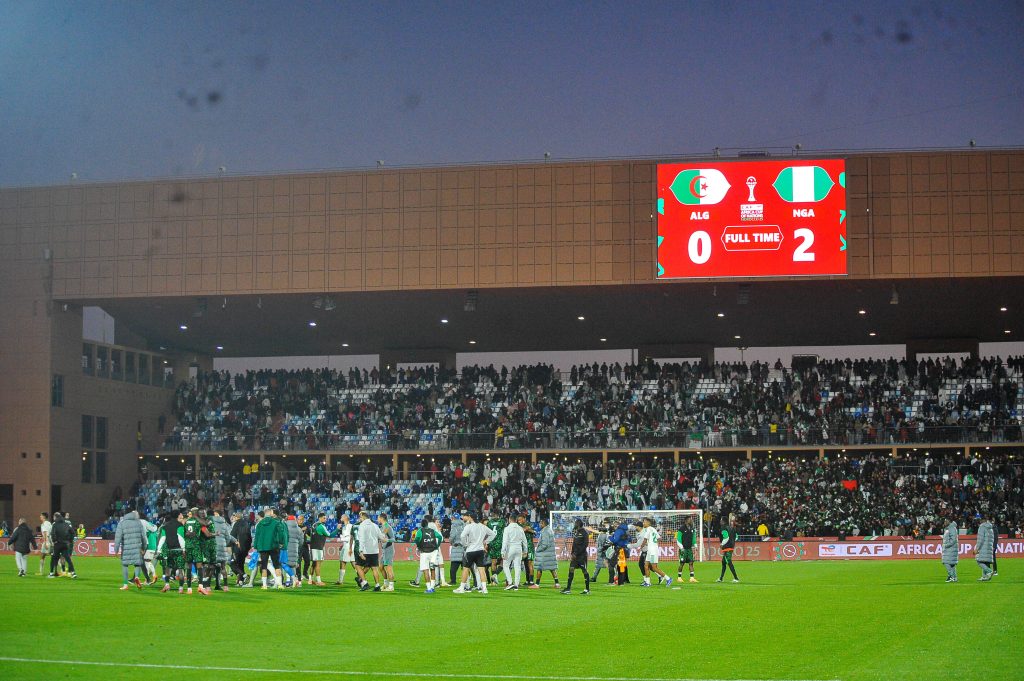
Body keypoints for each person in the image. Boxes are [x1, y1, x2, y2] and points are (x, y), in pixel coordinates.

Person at [453, 511, 496, 594]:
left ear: (470, 518)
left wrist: (465, 544)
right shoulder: (482, 526)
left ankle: (462, 588)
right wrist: (485, 542)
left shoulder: (469, 526)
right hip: (480, 550)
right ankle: (484, 588)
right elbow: (493, 534)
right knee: (481, 569)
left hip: (471, 550)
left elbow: (462, 536)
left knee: (466, 568)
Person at [113, 509, 147, 590]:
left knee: (125, 565)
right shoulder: (138, 522)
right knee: (137, 564)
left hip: (126, 549)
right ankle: (137, 577)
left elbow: (118, 538)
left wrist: (116, 550)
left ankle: (125, 585)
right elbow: (143, 537)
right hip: (137, 548)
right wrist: (143, 548)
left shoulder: (122, 523)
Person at [254, 507, 286, 589]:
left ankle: (264, 585)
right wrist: (281, 542)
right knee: (276, 565)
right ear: (271, 514)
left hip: (263, 547)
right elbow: (281, 533)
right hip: (274, 546)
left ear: (264, 515)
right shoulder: (276, 522)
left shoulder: (259, 524)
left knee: (264, 566)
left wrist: (256, 546)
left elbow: (256, 536)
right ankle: (279, 584)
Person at [157, 511, 187, 593]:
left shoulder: (165, 526)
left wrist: (158, 550)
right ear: (178, 515)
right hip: (179, 550)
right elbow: (180, 537)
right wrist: (184, 549)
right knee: (181, 570)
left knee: (168, 568)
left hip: (169, 550)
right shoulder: (180, 525)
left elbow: (162, 538)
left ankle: (167, 585)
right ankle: (180, 588)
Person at [635, 518, 670, 588]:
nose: (643, 523)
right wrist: (653, 543)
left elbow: (645, 540)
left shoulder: (648, 529)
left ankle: (668, 578)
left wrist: (641, 547)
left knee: (654, 568)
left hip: (653, 550)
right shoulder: (653, 529)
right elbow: (659, 538)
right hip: (651, 549)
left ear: (648, 523)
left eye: (644, 522)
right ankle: (648, 582)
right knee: (646, 565)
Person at [355, 510, 386, 591]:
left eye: (360, 517)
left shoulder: (362, 526)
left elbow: (361, 539)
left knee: (357, 566)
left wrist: (361, 551)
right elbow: (381, 537)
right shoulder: (375, 525)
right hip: (375, 550)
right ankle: (377, 586)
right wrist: (384, 538)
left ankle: (365, 583)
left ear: (363, 517)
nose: (360, 519)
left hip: (366, 550)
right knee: (374, 568)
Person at [411, 517, 443, 593]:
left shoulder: (420, 531)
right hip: (433, 551)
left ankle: (428, 588)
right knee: (432, 569)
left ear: (422, 525)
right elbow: (440, 537)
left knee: (425, 570)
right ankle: (432, 587)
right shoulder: (432, 531)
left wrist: (419, 545)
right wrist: (437, 545)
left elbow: (416, 539)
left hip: (424, 552)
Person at [561, 518, 591, 595]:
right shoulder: (576, 532)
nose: (574, 524)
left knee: (584, 571)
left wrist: (576, 553)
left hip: (581, 556)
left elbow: (585, 545)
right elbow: (574, 544)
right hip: (575, 556)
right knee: (571, 569)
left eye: (576, 523)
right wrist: (572, 553)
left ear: (578, 524)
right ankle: (568, 588)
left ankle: (587, 589)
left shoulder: (584, 533)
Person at [501, 512, 527, 591]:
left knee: (505, 565)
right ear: (516, 520)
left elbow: (505, 541)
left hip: (510, 548)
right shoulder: (520, 528)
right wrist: (525, 550)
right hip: (519, 548)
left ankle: (510, 582)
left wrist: (503, 551)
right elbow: (524, 540)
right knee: (517, 566)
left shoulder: (507, 528)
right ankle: (516, 584)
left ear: (509, 520)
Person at [212, 509, 235, 591]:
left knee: (211, 566)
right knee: (222, 567)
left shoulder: (211, 522)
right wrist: (225, 542)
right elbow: (228, 537)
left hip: (213, 546)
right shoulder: (225, 524)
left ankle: (207, 586)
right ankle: (225, 586)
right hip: (222, 546)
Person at [47, 512, 75, 579]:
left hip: (58, 544)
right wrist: (70, 540)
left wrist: (54, 541)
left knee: (54, 558)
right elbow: (73, 532)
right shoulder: (66, 524)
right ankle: (73, 573)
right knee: (68, 558)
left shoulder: (55, 524)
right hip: (65, 544)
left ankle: (51, 574)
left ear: (55, 517)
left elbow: (52, 534)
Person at [533, 517, 559, 589]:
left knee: (539, 568)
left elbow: (545, 544)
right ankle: (557, 584)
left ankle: (537, 584)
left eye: (540, 523)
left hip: (544, 554)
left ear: (543, 524)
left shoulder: (545, 532)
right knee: (552, 568)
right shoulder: (549, 530)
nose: (539, 524)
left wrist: (538, 550)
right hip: (550, 554)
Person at [229, 511, 251, 585]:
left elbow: (232, 536)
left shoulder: (236, 524)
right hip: (245, 548)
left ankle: (244, 575)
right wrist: (248, 547)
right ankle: (240, 581)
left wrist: (230, 546)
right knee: (241, 564)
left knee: (232, 563)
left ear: (236, 517)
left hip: (237, 547)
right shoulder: (246, 524)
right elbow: (249, 537)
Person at [308, 512, 330, 585]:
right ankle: (319, 581)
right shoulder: (321, 526)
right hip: (318, 547)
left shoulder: (314, 525)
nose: (325, 519)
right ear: (320, 518)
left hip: (312, 546)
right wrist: (337, 529)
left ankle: (310, 580)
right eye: (324, 518)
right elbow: (329, 535)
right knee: (318, 563)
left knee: (314, 563)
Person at [334, 514, 356, 586]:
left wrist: (341, 539)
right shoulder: (344, 527)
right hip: (346, 546)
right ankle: (340, 581)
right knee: (343, 562)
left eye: (342, 517)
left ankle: (362, 580)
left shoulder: (350, 526)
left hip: (349, 546)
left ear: (346, 518)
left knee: (353, 563)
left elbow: (350, 538)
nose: (340, 518)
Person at [486, 512, 507, 585]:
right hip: (500, 543)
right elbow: (505, 531)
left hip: (492, 543)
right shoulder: (502, 521)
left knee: (493, 562)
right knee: (503, 561)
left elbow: (487, 533)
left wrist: (486, 543)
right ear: (498, 515)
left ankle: (493, 582)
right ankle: (495, 575)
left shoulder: (489, 522)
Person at [284, 514, 303, 588]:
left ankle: (283, 581)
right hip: (295, 549)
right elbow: (301, 542)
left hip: (286, 549)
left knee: (283, 564)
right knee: (293, 565)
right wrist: (297, 546)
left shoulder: (285, 527)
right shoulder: (299, 529)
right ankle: (294, 581)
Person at [676, 517, 698, 583]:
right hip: (683, 549)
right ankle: (679, 577)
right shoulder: (681, 529)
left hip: (689, 549)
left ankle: (692, 578)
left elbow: (694, 539)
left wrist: (695, 546)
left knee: (691, 563)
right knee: (682, 563)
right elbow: (678, 539)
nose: (691, 520)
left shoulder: (692, 529)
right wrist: (681, 547)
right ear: (686, 521)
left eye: (691, 519)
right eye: (689, 519)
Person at [378, 512, 396, 591]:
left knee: (389, 568)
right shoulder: (382, 527)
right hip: (384, 550)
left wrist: (387, 540)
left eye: (378, 518)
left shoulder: (388, 527)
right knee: (381, 567)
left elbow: (393, 539)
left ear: (382, 518)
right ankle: (386, 584)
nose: (377, 519)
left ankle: (391, 586)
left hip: (389, 549)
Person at [447, 511, 465, 587]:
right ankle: (469, 581)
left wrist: (451, 542)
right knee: (466, 567)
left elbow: (452, 537)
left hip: (456, 548)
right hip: (464, 548)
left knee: (453, 567)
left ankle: (453, 580)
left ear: (453, 518)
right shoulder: (464, 526)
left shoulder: (454, 526)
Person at [140, 512, 159, 585]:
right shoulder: (153, 527)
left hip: (149, 546)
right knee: (147, 562)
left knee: (146, 562)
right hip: (153, 546)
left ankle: (151, 577)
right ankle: (151, 577)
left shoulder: (146, 530)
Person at [519, 514, 538, 588]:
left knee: (530, 563)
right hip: (522, 547)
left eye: (520, 519)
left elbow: (534, 532)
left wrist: (528, 529)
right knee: (525, 564)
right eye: (518, 520)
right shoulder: (518, 526)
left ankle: (531, 581)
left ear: (524, 518)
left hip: (529, 546)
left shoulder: (529, 524)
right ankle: (527, 581)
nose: (519, 521)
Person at [974, 516, 994, 582]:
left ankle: (989, 571)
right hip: (989, 547)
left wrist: (977, 548)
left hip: (983, 547)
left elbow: (981, 539)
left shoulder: (982, 527)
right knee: (984, 562)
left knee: (979, 561)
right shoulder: (990, 528)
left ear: (982, 520)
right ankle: (984, 576)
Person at [941, 518, 959, 583]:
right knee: (952, 564)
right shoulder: (949, 528)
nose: (944, 522)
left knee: (946, 562)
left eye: (946, 521)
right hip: (950, 549)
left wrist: (946, 545)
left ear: (949, 521)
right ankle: (954, 577)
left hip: (951, 548)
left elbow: (953, 539)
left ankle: (951, 576)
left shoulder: (951, 528)